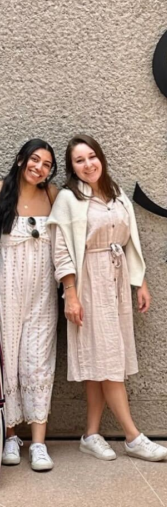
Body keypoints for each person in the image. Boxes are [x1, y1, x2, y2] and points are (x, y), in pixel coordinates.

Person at [48, 135, 167, 462]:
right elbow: (61, 251)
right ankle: (133, 436)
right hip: (88, 282)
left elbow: (130, 242)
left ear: (101, 157)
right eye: (79, 160)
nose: (88, 165)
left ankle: (90, 434)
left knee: (99, 360)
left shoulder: (117, 196)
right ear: (71, 167)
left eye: (92, 157)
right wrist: (70, 295)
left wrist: (139, 282)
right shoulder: (68, 200)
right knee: (107, 359)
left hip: (115, 283)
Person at [0, 139, 59, 471]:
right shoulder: (2, 189)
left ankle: (38, 442)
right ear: (21, 159)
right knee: (7, 358)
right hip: (5, 291)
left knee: (38, 361)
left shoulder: (53, 195)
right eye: (34, 160)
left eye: (46, 164)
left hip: (43, 294)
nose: (39, 167)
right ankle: (10, 435)